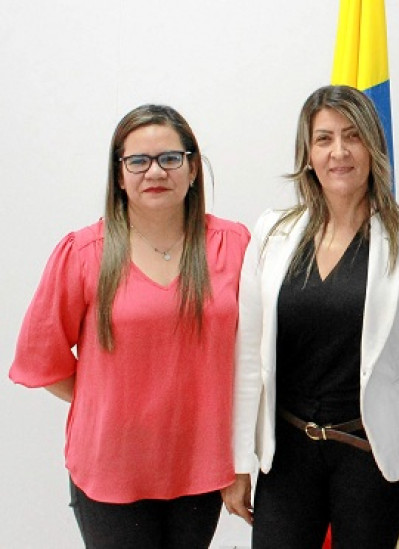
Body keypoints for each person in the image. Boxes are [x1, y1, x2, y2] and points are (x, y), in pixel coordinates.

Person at [9, 105, 250, 548]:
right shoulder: (83, 253)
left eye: (170, 158)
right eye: (138, 161)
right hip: (110, 469)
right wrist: (114, 399)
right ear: (119, 176)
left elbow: (254, 356)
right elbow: (43, 360)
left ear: (193, 168)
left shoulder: (234, 246)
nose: (154, 172)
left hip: (199, 467)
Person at [222, 85, 399, 548]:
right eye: (324, 139)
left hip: (375, 458)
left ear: (373, 146)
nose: (339, 152)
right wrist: (239, 462)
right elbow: (247, 358)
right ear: (307, 154)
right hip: (288, 451)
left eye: (353, 136)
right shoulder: (272, 232)